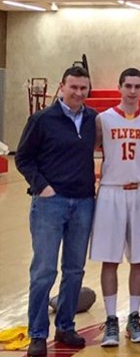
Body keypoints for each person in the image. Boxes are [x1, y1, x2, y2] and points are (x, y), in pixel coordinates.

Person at [16, 66, 98, 356]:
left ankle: (65, 326)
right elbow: (23, 158)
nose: (78, 93)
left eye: (83, 88)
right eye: (73, 87)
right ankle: (38, 334)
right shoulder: (41, 119)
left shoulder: (92, 119)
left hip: (84, 203)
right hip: (50, 204)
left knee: (74, 270)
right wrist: (42, 186)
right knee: (44, 271)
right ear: (61, 86)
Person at [90, 68, 140, 347]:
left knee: (139, 258)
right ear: (119, 88)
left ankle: (134, 315)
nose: (132, 91)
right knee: (110, 259)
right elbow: (92, 146)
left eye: (137, 86)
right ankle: (111, 319)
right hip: (111, 191)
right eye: (128, 86)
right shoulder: (103, 119)